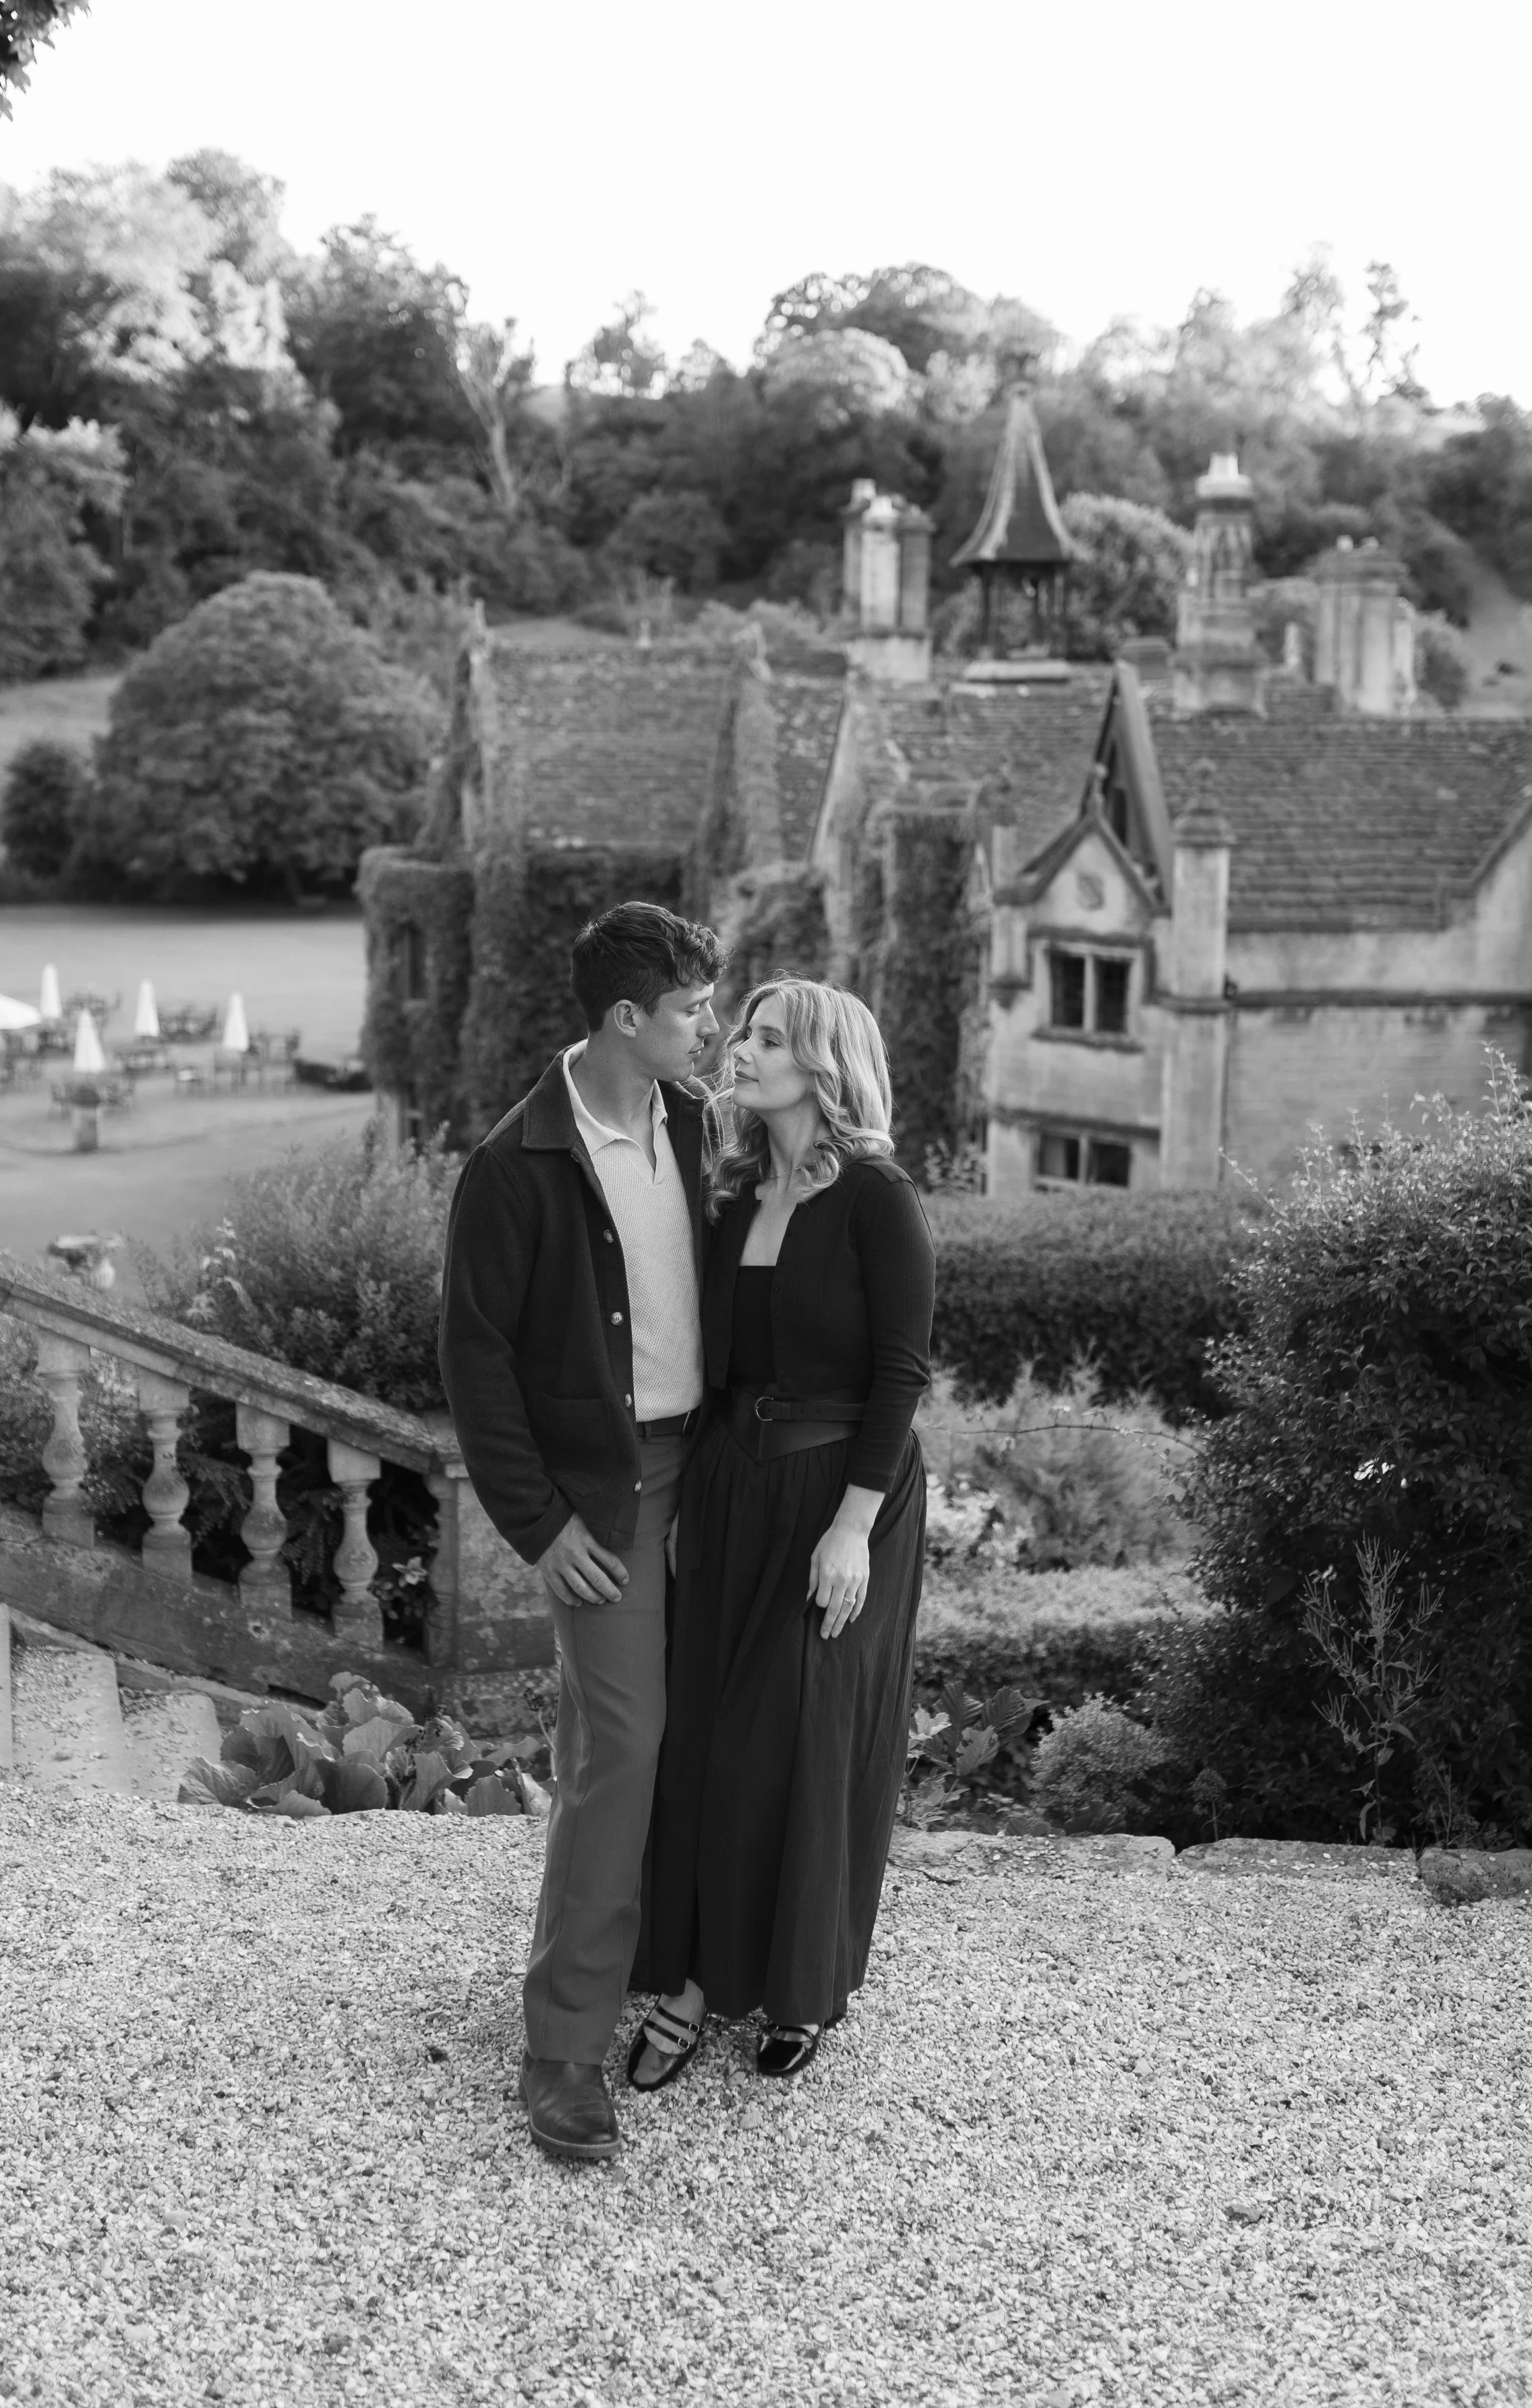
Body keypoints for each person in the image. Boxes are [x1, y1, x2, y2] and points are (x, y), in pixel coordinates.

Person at [438, 901, 723, 2160]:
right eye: (691, 1011)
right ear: (626, 1019)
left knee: (634, 1739)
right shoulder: (518, 1163)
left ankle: (644, 1965)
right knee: (629, 1736)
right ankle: (563, 2049)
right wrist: (540, 1526)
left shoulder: (700, 1124)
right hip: (598, 1506)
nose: (708, 1028)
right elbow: (476, 1365)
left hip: (706, 1478)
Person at [632, 979, 935, 2088]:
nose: (739, 1051)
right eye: (744, 1033)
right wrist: (681, 1507)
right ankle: (695, 1973)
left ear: (823, 1060)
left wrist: (852, 1527)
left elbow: (901, 1369)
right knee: (707, 1738)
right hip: (729, 1490)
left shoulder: (875, 1196)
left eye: (765, 1037)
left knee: (794, 1739)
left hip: (842, 1501)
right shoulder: (728, 1189)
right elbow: (709, 1367)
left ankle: (792, 1984)